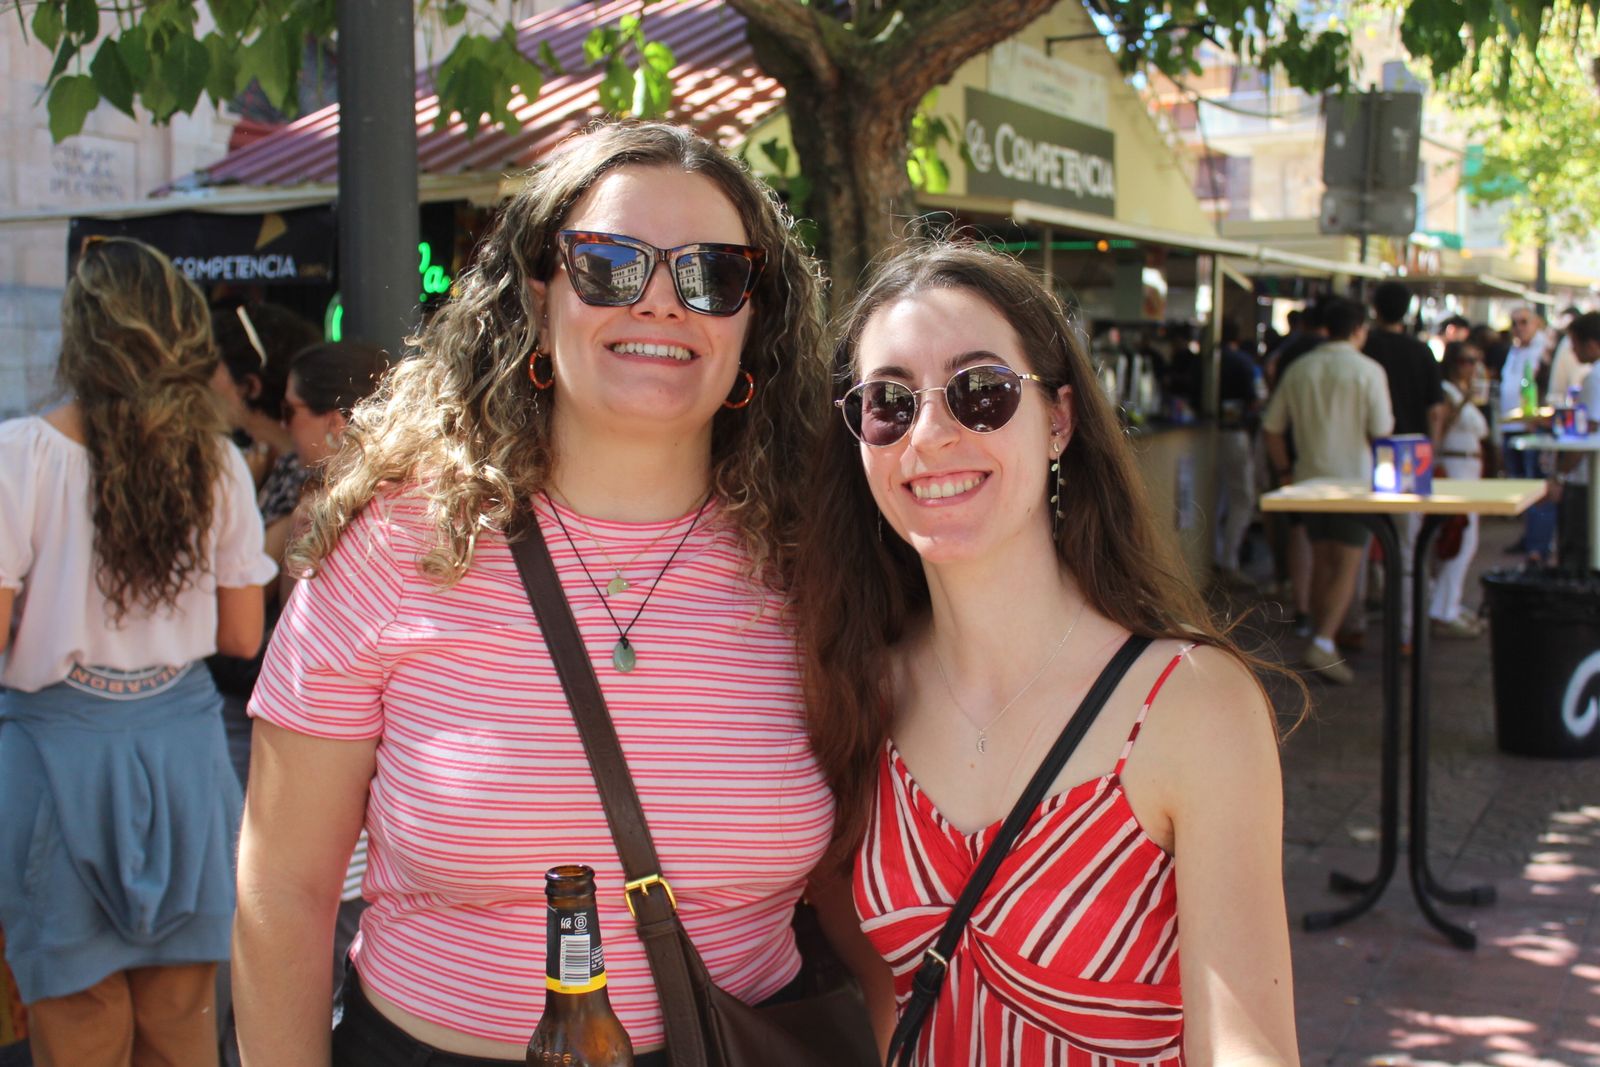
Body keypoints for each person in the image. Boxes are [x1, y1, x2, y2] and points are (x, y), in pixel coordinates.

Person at [233, 122, 843, 1066]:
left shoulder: (815, 560)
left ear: (753, 317)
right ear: (537, 295)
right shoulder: (397, 544)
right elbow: (283, 884)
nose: (660, 302)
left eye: (710, 274)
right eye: (608, 263)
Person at [796, 242, 1300, 1063]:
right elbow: (891, 993)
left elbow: (1249, 1046)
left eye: (982, 393)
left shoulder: (1193, 703)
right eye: (888, 402)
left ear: (1059, 419)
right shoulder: (858, 690)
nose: (930, 435)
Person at [0, 237, 276, 1067]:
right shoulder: (220, 466)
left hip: (55, 753)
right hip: (183, 749)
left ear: (81, 338)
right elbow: (240, 638)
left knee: (77, 1020)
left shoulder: (21, 455)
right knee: (185, 1018)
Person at [1263, 297, 1395, 685]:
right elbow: (1382, 430)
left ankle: (1323, 636)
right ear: (1358, 330)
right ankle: (1323, 640)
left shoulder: (1301, 368)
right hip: (1354, 480)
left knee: (1322, 559)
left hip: (1307, 478)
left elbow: (1272, 428)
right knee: (1347, 563)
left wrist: (1286, 471)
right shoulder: (1368, 371)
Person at [1364, 280, 1446, 647]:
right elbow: (1436, 411)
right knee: (1408, 546)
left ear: (1375, 309)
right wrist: (1433, 452)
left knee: (1360, 541)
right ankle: (1407, 631)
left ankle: (1353, 624)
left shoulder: (1365, 348)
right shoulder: (1422, 351)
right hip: (1412, 455)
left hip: (1366, 450)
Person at [1429, 341, 1492, 637]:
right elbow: (1441, 427)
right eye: (1467, 360)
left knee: (1463, 538)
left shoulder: (1469, 392)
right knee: (1460, 537)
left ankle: (1447, 603)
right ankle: (1443, 608)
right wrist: (1466, 399)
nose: (1473, 366)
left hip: (1469, 466)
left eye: (1476, 360)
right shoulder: (1446, 390)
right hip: (1454, 465)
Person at [1498, 306, 1557, 564]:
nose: (1518, 327)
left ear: (1537, 324)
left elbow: (1550, 387)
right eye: (1514, 322)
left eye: (1523, 321)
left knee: (1537, 488)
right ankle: (1529, 539)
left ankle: (1538, 546)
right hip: (1512, 426)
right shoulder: (1515, 349)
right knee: (1522, 487)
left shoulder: (1545, 350)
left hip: (1532, 428)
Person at [1214, 317, 1265, 586]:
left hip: (1208, 435)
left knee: (1215, 497)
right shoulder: (1245, 364)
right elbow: (1257, 399)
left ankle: (1216, 556)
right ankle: (1229, 561)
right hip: (1235, 435)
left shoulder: (1206, 361)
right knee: (1242, 498)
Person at [1551, 312, 1600, 569]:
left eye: (1574, 344)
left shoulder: (1594, 377)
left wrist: (1560, 475)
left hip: (1588, 481)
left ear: (1590, 344)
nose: (1571, 350)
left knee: (1579, 549)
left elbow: (1586, 432)